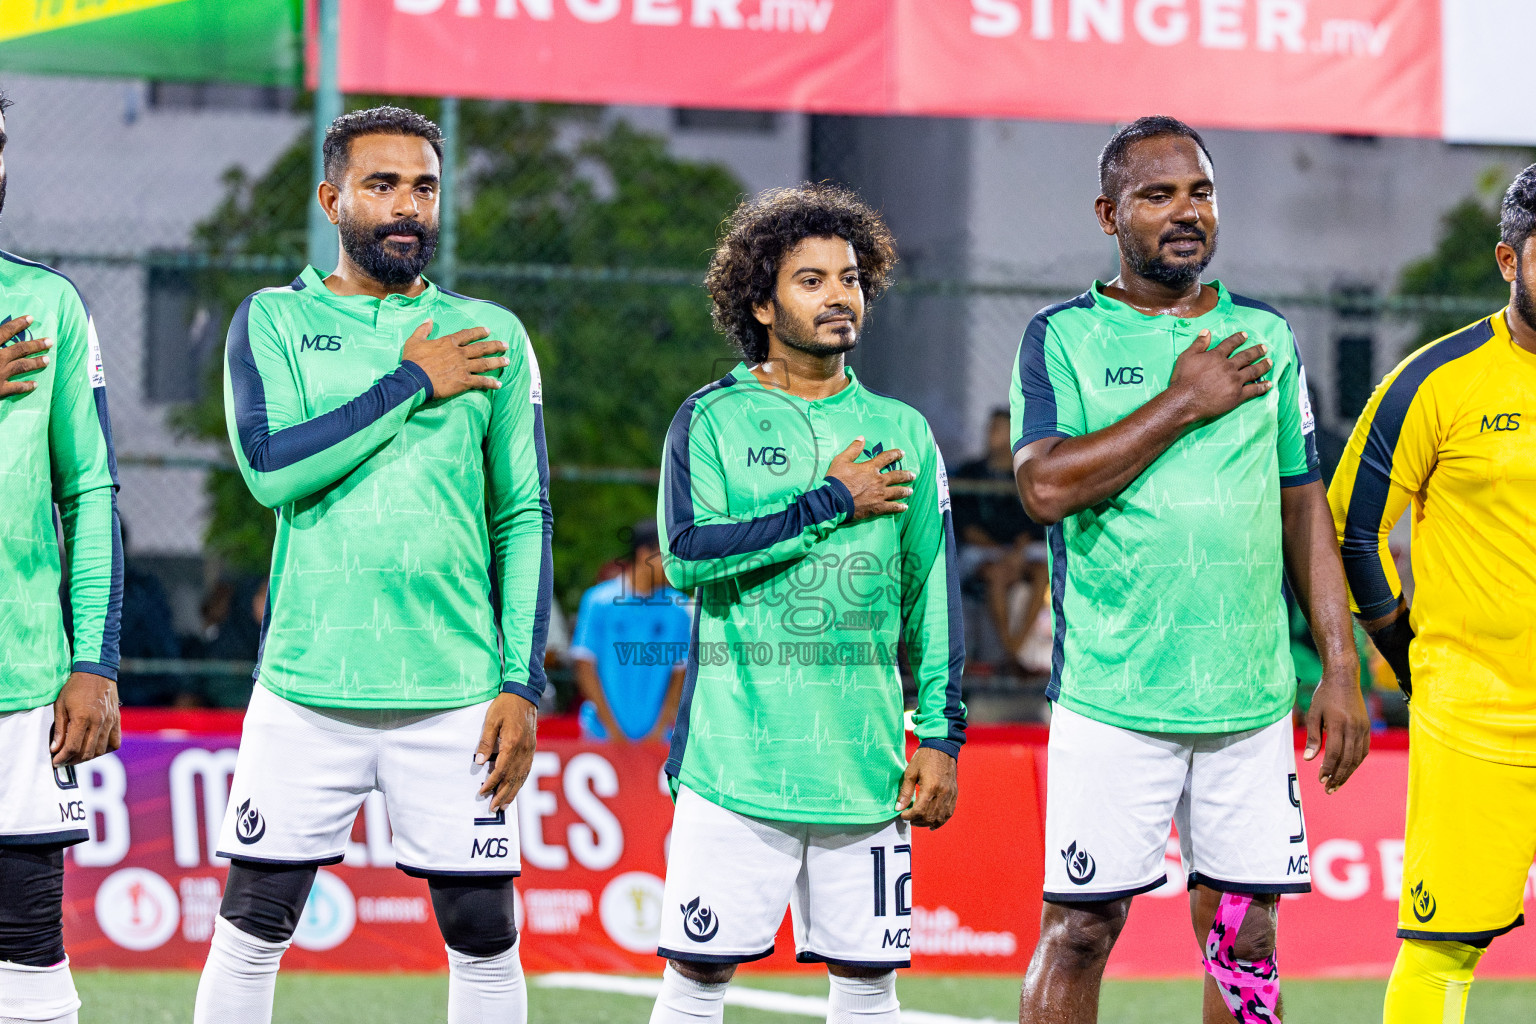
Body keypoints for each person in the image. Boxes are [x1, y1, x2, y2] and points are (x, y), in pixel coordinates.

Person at [192, 106, 551, 1024]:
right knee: (252, 926)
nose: (406, 205)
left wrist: (521, 680)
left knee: (483, 931)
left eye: (423, 186)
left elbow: (522, 515)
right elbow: (272, 471)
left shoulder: (491, 333)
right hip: (309, 687)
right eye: (382, 184)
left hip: (458, 689)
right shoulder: (271, 320)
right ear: (332, 198)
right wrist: (410, 382)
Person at [1011, 116, 1370, 1024]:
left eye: (1201, 192)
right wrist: (1182, 401)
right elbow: (1044, 487)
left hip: (1249, 699)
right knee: (1081, 930)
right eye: (1158, 194)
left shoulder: (1266, 336)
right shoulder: (1061, 337)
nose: (1186, 212)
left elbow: (1304, 509)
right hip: (1112, 696)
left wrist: (1337, 665)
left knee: (1246, 933)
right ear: (1109, 213)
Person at [650, 184, 966, 1024]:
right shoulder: (710, 418)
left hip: (865, 772)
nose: (839, 296)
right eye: (812, 280)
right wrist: (828, 502)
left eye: (851, 278)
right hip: (734, 765)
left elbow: (930, 590)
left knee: (868, 989)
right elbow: (685, 555)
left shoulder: (903, 428)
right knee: (697, 983)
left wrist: (939, 732)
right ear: (760, 301)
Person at [1329, 165, 1536, 1024]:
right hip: (1475, 710)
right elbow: (1351, 530)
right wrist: (1412, 659)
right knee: (1443, 949)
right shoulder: (1436, 381)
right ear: (1506, 260)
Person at [0, 89, 124, 1024]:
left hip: (21, 683)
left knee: (28, 950)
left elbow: (90, 496)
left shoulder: (46, 304)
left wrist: (92, 662)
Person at [569, 520, 691, 743]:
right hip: (601, 736)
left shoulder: (679, 608)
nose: (677, 565)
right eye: (670, 556)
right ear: (645, 553)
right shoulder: (599, 601)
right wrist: (614, 733)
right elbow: (585, 668)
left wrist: (658, 731)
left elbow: (680, 675)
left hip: (658, 741)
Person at [951, 408, 1050, 672]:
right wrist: (1003, 553)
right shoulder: (971, 472)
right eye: (990, 428)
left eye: (999, 428)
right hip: (983, 554)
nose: (991, 434)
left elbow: (1034, 522)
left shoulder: (1025, 474)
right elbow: (966, 526)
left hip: (1021, 552)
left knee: (1043, 572)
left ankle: (1013, 650)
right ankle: (1011, 652)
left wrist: (1017, 551)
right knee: (996, 575)